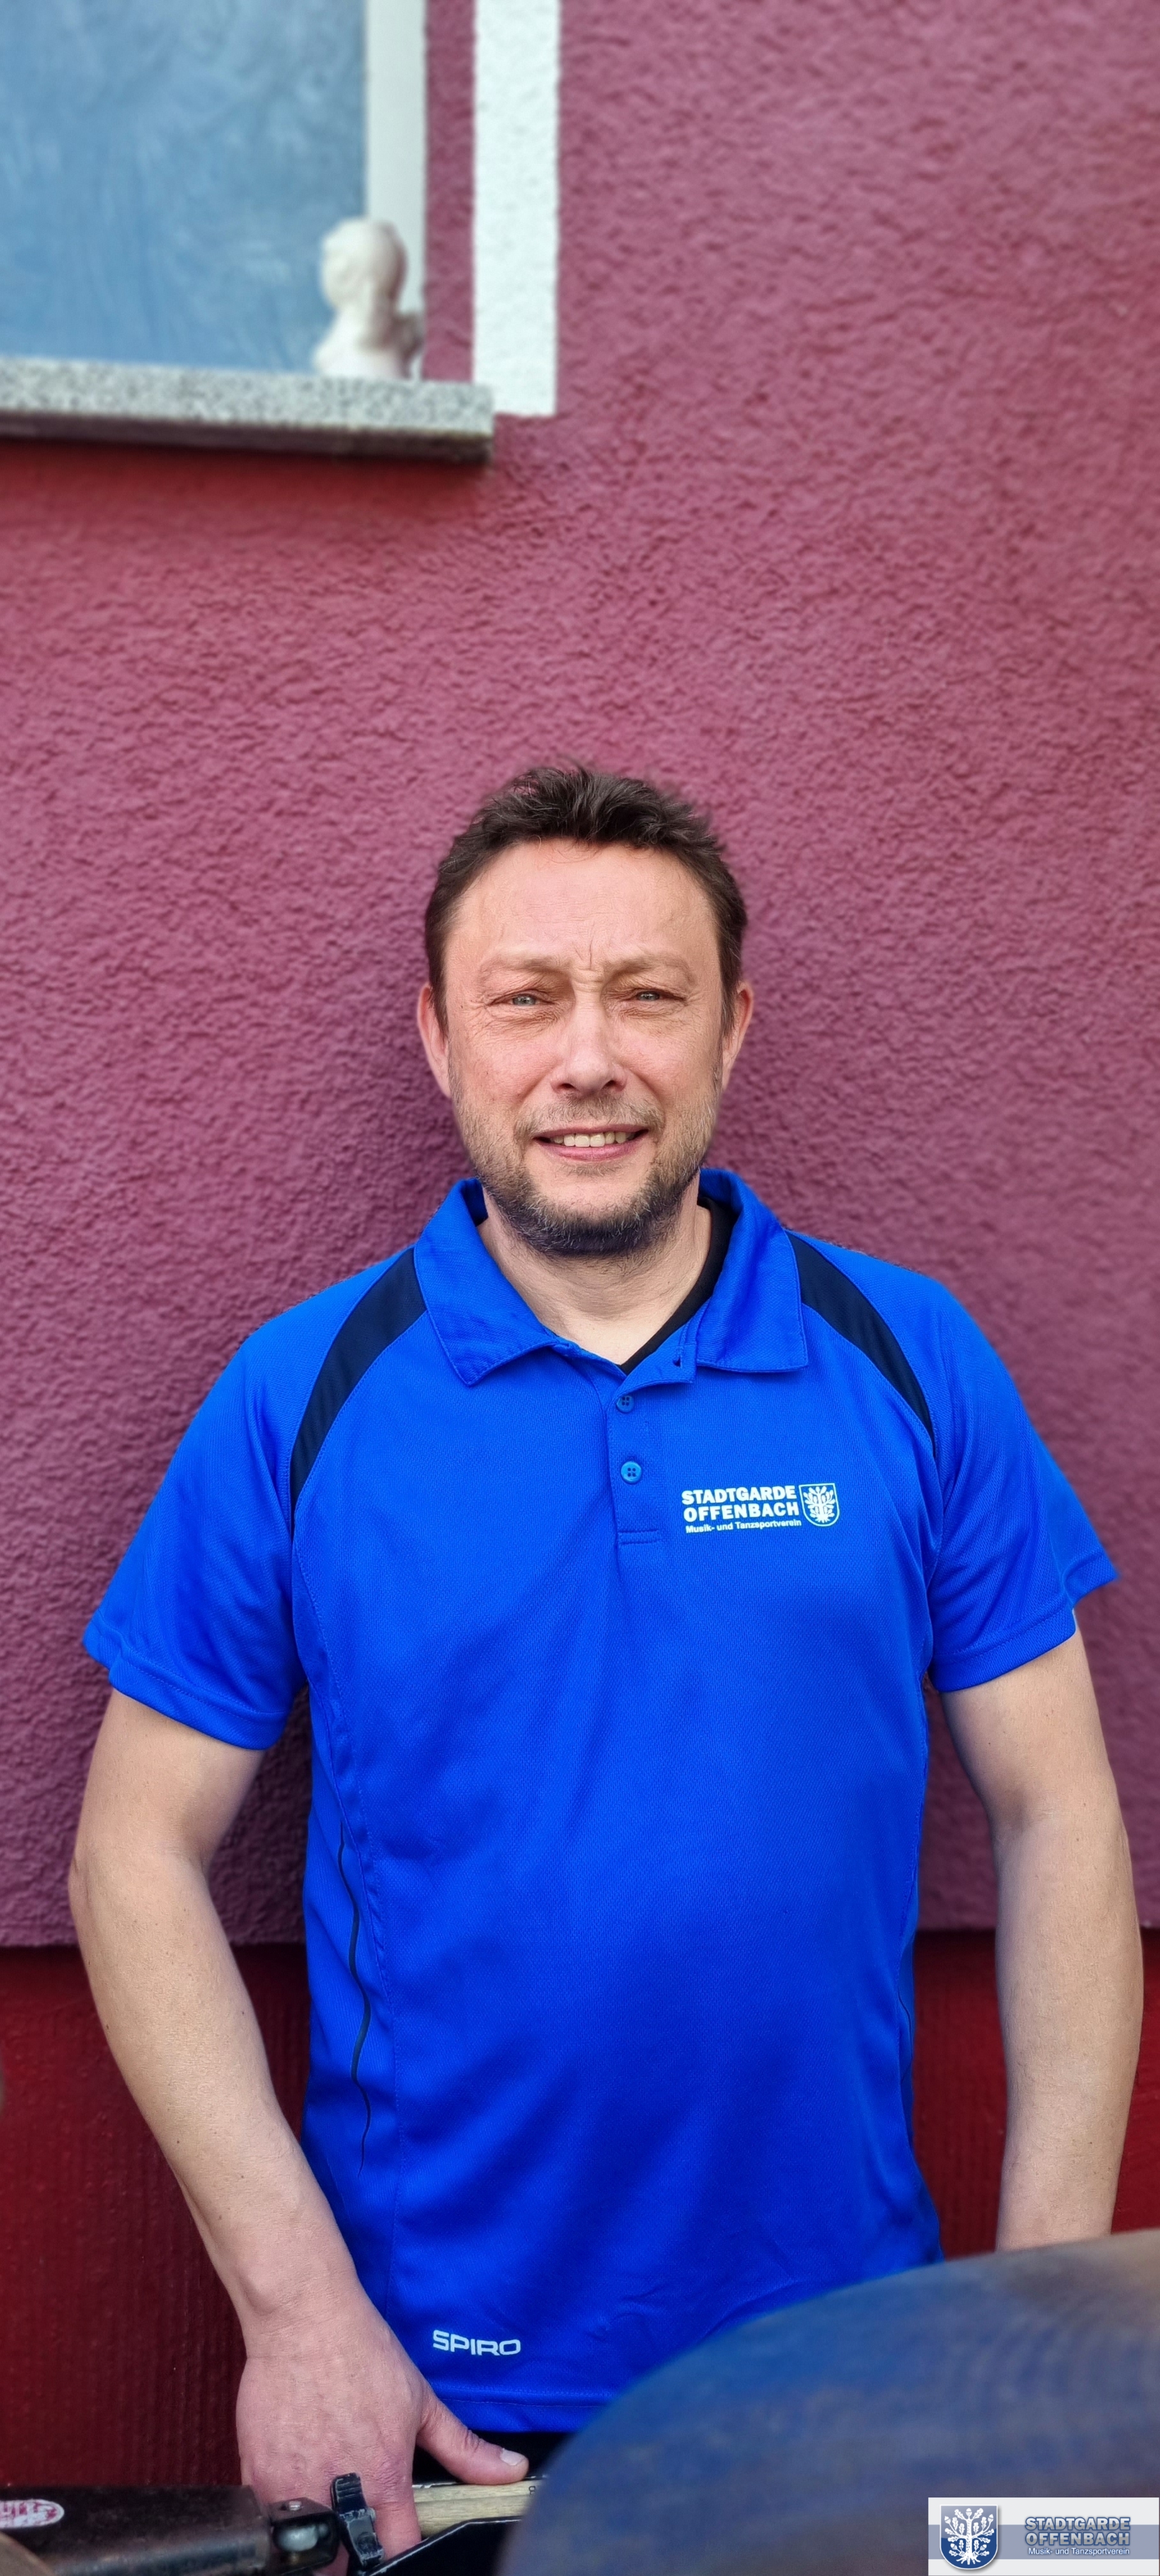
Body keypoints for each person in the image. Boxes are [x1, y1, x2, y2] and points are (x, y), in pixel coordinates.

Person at [72, 765, 1141, 2555]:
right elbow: (132, 1855)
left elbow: (1059, 1817)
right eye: (527, 999)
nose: (590, 1058)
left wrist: (1035, 2307)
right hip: (440, 2382)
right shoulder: (302, 1398)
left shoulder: (908, 1359)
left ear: (733, 1027)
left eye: (649, 994)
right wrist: (297, 2313)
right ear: (440, 1037)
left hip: (849, 2354)